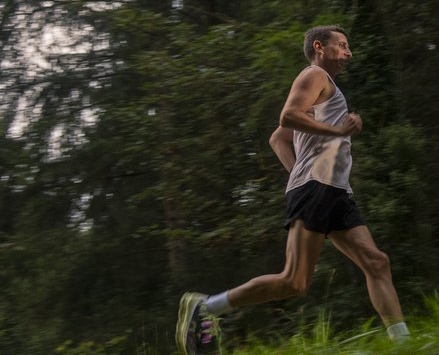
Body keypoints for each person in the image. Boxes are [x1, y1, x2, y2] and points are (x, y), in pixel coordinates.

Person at [175, 25, 410, 354]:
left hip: (334, 190)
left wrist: (302, 169)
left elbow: (278, 139)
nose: (348, 52)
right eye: (341, 45)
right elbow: (287, 117)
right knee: (294, 281)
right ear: (319, 47)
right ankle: (207, 307)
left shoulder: (325, 89)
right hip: (317, 188)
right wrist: (335, 134)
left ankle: (404, 343)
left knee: (376, 262)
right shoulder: (314, 75)